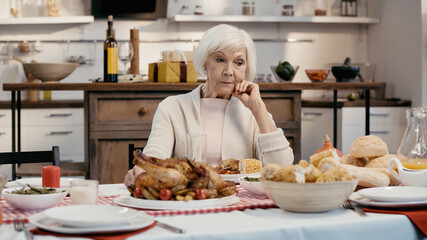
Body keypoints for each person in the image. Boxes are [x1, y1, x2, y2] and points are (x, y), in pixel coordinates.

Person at [124, 24, 294, 186]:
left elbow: (282, 169)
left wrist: (258, 108)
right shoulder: (172, 107)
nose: (229, 71)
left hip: (240, 203)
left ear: (246, 69)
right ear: (205, 62)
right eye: (220, 60)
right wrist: (141, 170)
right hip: (191, 202)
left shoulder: (254, 113)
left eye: (239, 63)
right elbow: (154, 156)